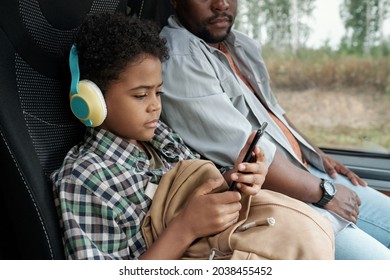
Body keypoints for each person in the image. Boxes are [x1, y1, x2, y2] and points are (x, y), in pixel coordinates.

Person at [159, 0, 390, 259]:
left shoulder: (240, 44)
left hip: (304, 171)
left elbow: (273, 111)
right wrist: (324, 193)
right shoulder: (179, 58)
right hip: (275, 193)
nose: (221, 4)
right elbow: (250, 154)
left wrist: (316, 154)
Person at [51, 12, 268, 260]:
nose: (155, 105)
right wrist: (186, 228)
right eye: (141, 95)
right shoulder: (85, 177)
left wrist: (236, 176)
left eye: (159, 92)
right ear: (91, 100)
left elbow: (200, 191)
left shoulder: (160, 137)